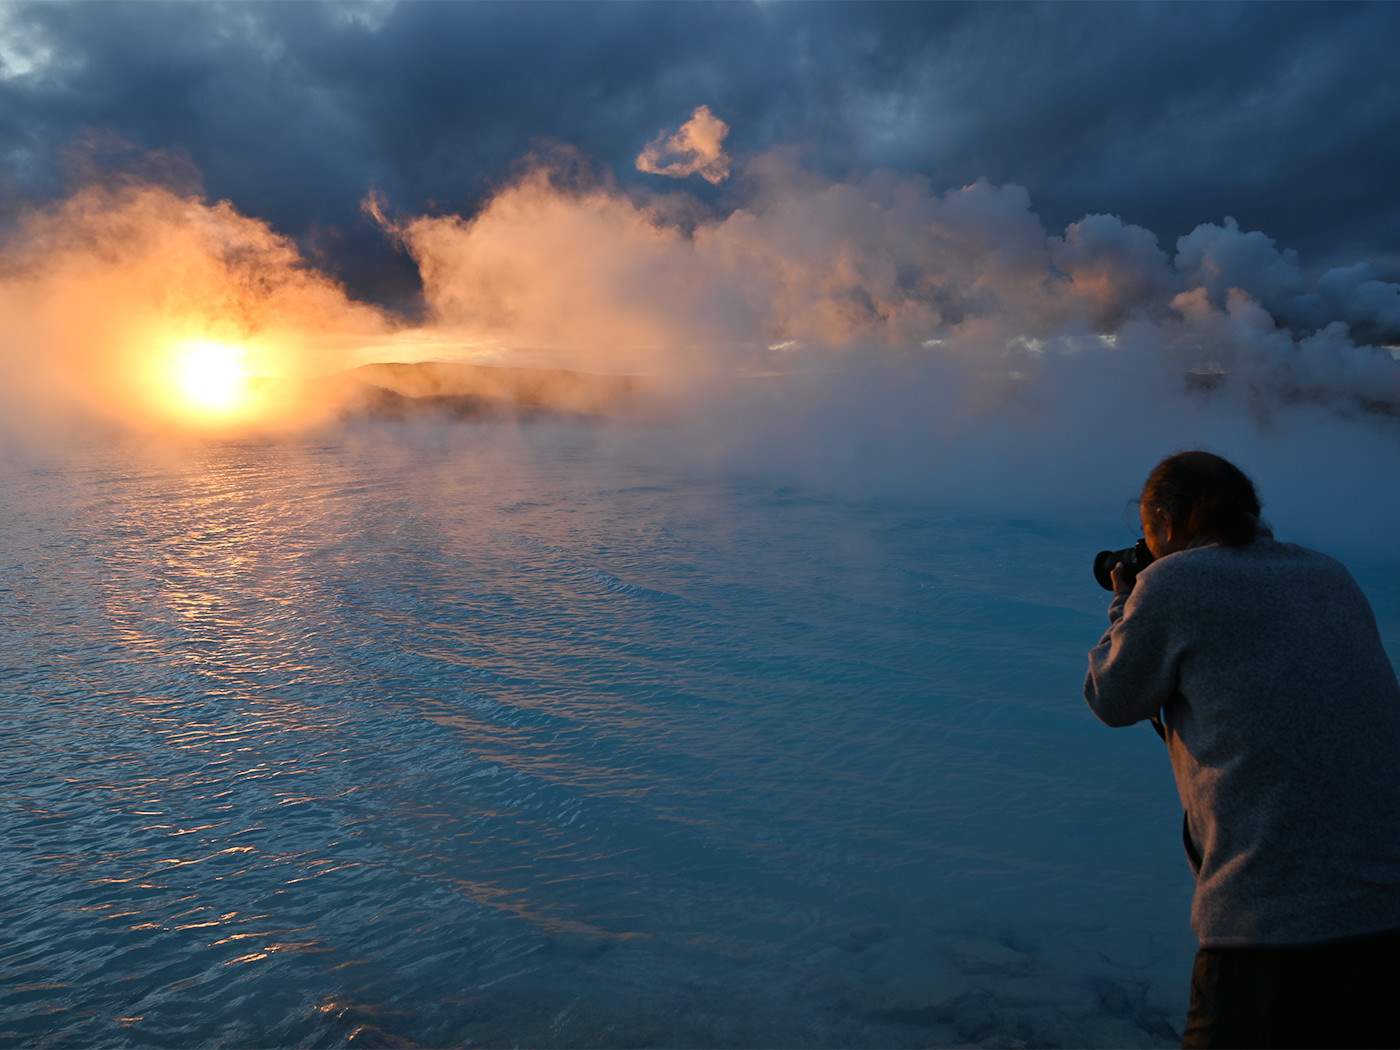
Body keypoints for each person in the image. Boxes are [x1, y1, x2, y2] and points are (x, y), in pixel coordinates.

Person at [1083, 450, 1400, 1048]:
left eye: (1147, 535)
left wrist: (1126, 601)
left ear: (1168, 525)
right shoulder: (1329, 573)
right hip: (1388, 914)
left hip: (1268, 922)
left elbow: (1111, 697)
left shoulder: (1174, 580)